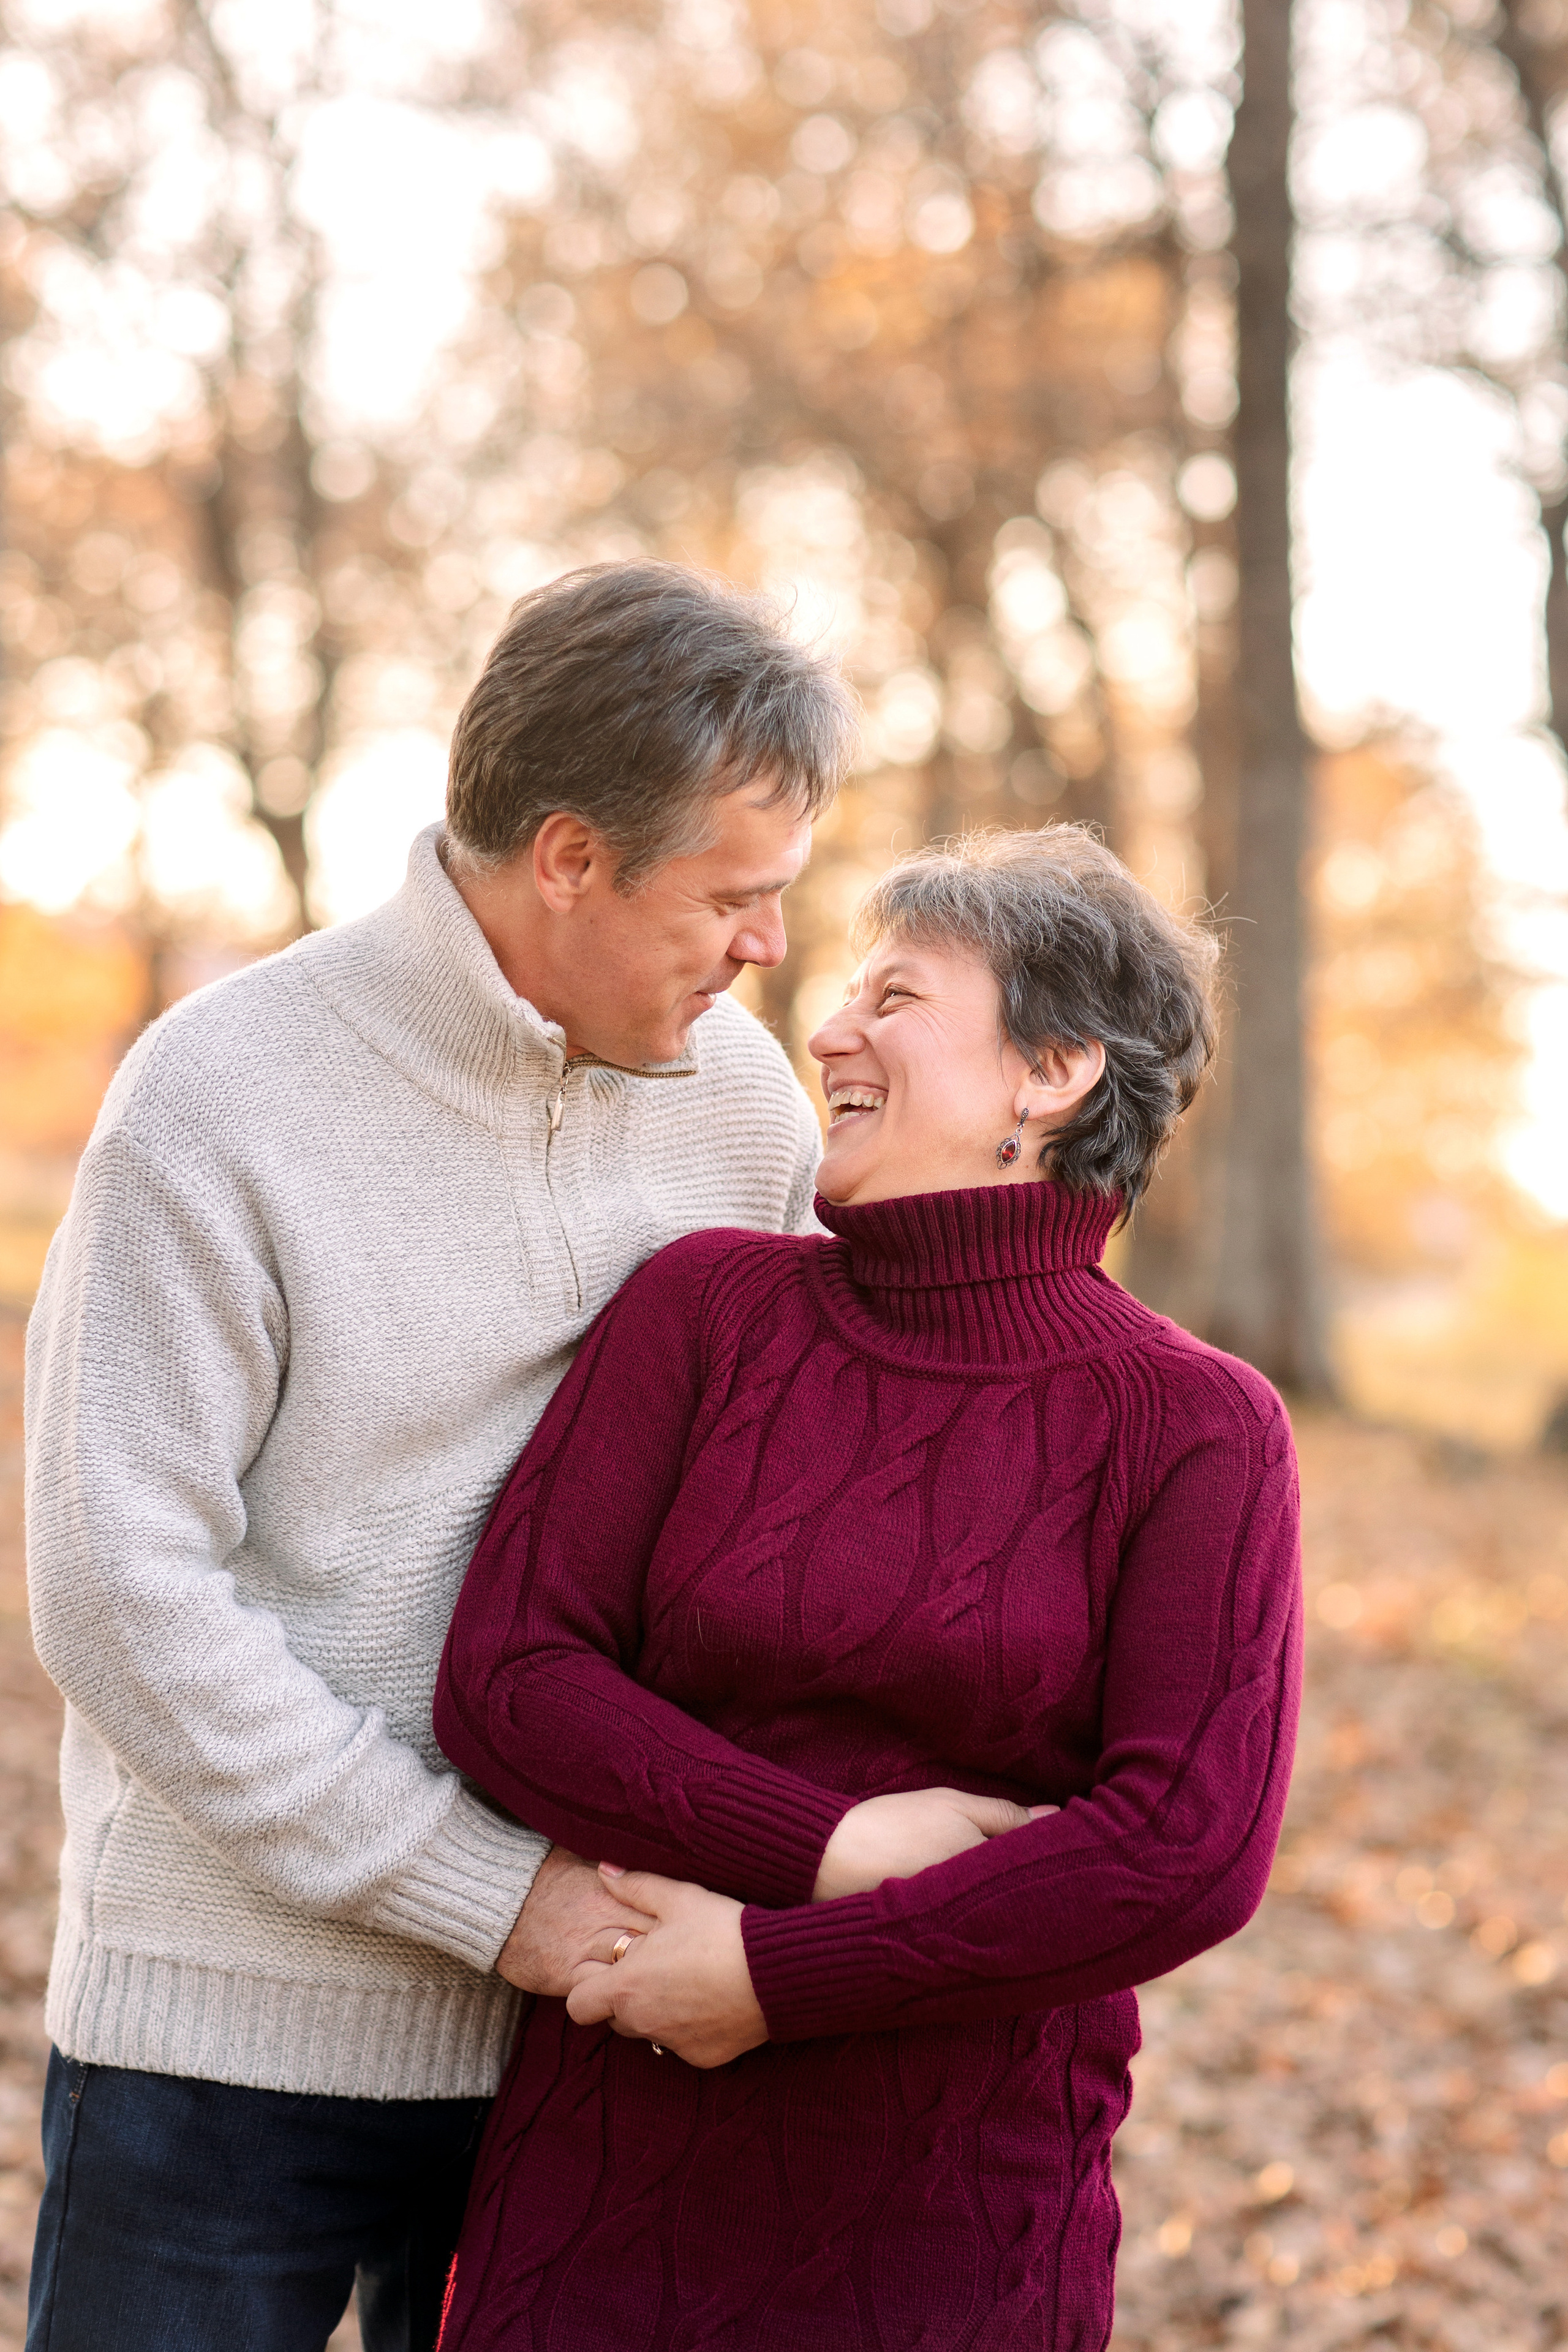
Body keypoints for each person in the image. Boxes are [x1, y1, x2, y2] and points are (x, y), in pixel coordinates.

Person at [24, 562, 855, 2352]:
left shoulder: (743, 1108)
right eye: (731, 897)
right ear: (568, 858)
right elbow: (115, 1588)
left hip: (589, 2046)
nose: (767, 952)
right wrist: (496, 1902)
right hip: (226, 2034)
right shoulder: (223, 1095)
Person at [432, 825, 1305, 2352]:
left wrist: (774, 1977)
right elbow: (512, 1679)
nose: (828, 1026)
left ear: (1051, 1074)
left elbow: (1181, 1848)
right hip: (607, 2172)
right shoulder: (704, 1308)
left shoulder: (1196, 1424)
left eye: (895, 995)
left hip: (955, 2220)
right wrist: (827, 1845)